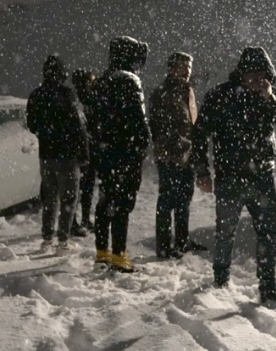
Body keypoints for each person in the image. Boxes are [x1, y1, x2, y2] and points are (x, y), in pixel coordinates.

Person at [190, 46, 276, 304]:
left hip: (263, 176)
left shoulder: (271, 95)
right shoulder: (221, 95)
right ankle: (220, 278)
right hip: (230, 176)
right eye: (251, 74)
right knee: (225, 231)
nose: (257, 79)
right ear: (241, 73)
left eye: (262, 74)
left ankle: (268, 285)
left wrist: (269, 98)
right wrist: (202, 172)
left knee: (269, 232)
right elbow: (199, 135)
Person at [91, 36, 151, 272]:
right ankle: (119, 255)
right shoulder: (129, 81)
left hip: (105, 153)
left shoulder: (103, 80)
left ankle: (102, 252)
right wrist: (142, 146)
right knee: (123, 204)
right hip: (125, 154)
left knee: (105, 201)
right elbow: (138, 120)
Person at [26, 55, 90, 254]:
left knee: (50, 198)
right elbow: (78, 125)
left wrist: (46, 133)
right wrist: (83, 152)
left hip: (46, 154)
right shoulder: (66, 94)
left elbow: (31, 124)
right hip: (67, 155)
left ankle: (47, 238)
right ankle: (62, 240)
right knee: (69, 199)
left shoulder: (36, 95)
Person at [149, 52, 206, 259]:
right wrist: (175, 145)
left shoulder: (188, 91)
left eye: (189, 67)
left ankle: (182, 240)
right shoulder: (162, 93)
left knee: (184, 199)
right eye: (184, 67)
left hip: (188, 154)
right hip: (170, 155)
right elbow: (158, 126)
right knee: (167, 200)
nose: (187, 71)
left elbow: (192, 122)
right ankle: (163, 245)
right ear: (172, 67)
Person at [71, 68, 98, 236]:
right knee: (76, 189)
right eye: (90, 82)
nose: (92, 85)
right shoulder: (75, 102)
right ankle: (72, 222)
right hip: (79, 151)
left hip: (91, 150)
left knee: (87, 188)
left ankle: (86, 219)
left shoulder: (92, 100)